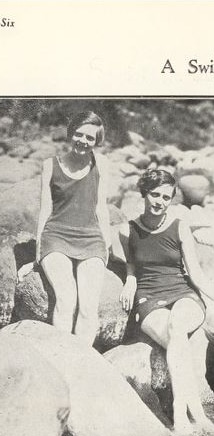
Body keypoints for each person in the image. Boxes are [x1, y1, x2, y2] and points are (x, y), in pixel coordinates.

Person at [119, 169, 214, 436]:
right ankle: (199, 418)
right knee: (177, 343)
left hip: (182, 293)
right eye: (154, 194)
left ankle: (182, 415)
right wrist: (130, 281)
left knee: (177, 327)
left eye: (166, 197)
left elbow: (196, 274)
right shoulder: (127, 230)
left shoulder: (180, 227)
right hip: (149, 298)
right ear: (143, 193)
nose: (160, 201)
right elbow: (132, 264)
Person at [35, 111, 110, 345]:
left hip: (90, 239)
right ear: (71, 134)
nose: (83, 141)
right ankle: (61, 359)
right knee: (67, 298)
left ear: (97, 141)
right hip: (56, 236)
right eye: (78, 134)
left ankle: (81, 364)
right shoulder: (50, 165)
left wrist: (105, 244)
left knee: (88, 307)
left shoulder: (102, 164)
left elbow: (102, 208)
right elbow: (45, 209)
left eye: (90, 138)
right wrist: (38, 249)